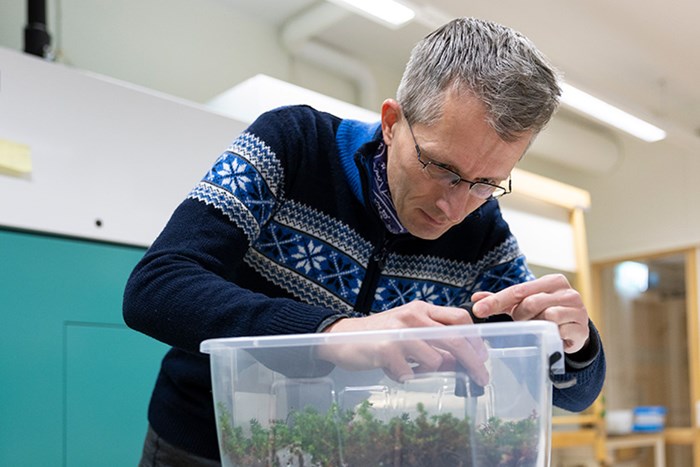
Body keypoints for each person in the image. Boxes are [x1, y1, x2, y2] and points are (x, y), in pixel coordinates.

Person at [123, 16, 605, 466]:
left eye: (486, 183)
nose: (453, 208)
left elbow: (567, 389)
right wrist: (331, 333)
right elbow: (157, 287)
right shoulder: (292, 144)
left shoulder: (482, 232)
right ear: (392, 122)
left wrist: (573, 343)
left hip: (347, 450)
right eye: (442, 169)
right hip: (209, 445)